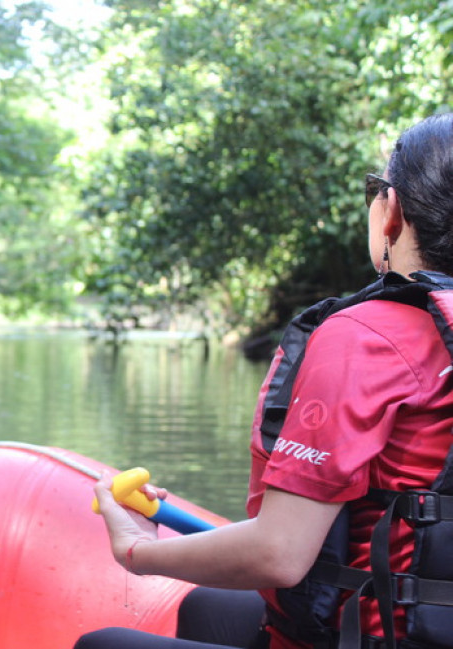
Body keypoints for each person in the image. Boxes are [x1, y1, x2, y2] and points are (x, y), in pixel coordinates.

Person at [75, 112, 453, 649]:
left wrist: (138, 551)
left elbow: (279, 554)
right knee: (210, 608)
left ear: (390, 211)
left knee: (101, 644)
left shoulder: (368, 336)